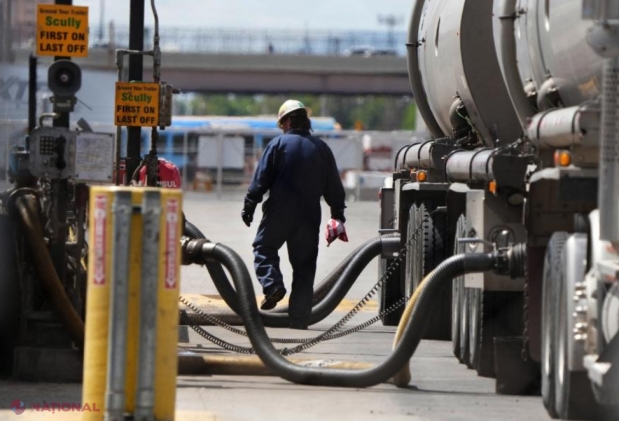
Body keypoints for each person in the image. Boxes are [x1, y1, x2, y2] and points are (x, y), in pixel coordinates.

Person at [241, 99, 347, 330]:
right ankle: (299, 320)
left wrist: (250, 204)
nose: (282, 128)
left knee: (264, 248)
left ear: (288, 121)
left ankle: (273, 285)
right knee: (304, 266)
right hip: (310, 214)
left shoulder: (278, 144)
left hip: (280, 209)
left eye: (282, 124)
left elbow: (261, 178)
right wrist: (337, 214)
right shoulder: (321, 148)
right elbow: (334, 186)